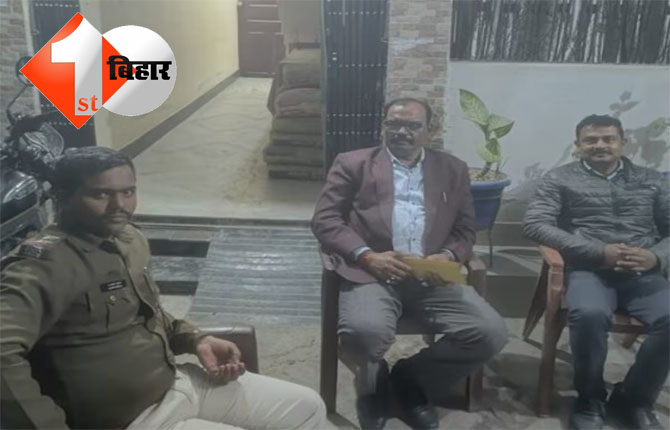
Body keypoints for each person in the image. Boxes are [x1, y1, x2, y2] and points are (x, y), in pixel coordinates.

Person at [0, 147, 327, 430]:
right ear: (62, 197)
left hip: (176, 384)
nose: (120, 205)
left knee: (308, 406)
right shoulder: (44, 265)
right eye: (101, 194)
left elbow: (147, 311)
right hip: (133, 419)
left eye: (128, 192)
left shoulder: (129, 239)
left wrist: (196, 338)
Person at [311, 98, 507, 429]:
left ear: (430, 130)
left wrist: (448, 256)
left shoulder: (452, 169)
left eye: (413, 125)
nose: (402, 132)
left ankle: (412, 380)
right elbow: (325, 220)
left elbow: (465, 229)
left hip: (431, 276)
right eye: (394, 124)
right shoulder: (353, 163)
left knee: (490, 333)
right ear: (384, 125)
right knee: (364, 333)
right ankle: (373, 390)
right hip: (372, 272)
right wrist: (367, 256)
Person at [523, 114, 669, 430]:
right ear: (578, 145)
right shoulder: (560, 178)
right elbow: (535, 224)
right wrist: (598, 252)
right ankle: (589, 399)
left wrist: (655, 257)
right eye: (591, 140)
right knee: (589, 314)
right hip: (589, 270)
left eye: (608, 139)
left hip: (643, 274)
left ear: (622, 143)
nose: (600, 145)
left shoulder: (653, 180)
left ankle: (635, 399)